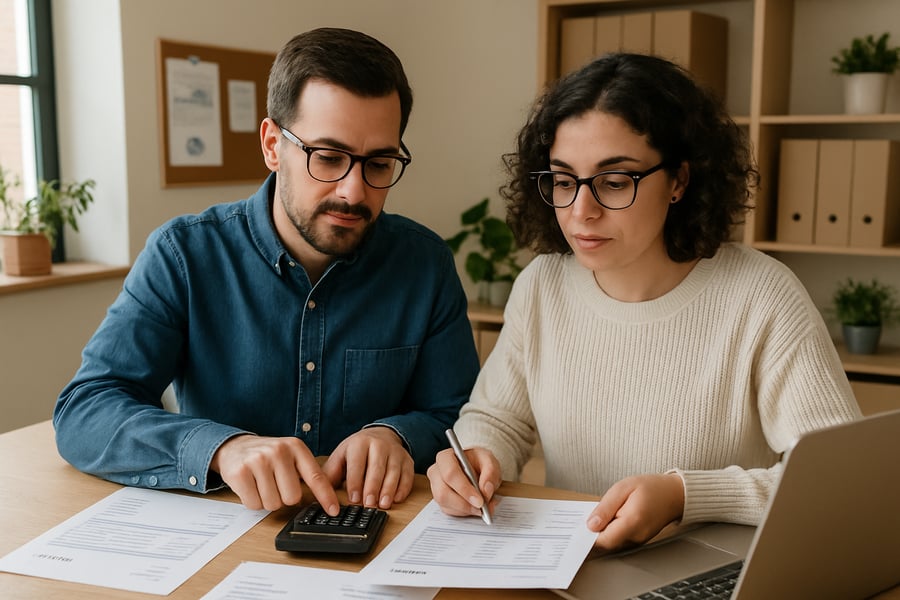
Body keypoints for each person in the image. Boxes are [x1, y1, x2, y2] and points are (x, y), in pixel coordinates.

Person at [427, 52, 861, 552]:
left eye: (614, 182)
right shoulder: (542, 285)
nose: (581, 211)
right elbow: (500, 417)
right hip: (573, 565)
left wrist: (684, 495)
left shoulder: (762, 296)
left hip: (710, 575)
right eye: (564, 181)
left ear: (679, 180)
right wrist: (477, 457)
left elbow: (836, 482)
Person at [55, 27, 480, 516]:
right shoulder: (184, 255)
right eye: (328, 158)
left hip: (378, 535)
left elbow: (461, 416)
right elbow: (85, 409)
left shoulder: (423, 264)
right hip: (224, 537)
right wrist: (220, 449)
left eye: (379, 164)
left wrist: (398, 435)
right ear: (272, 145)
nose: (354, 192)